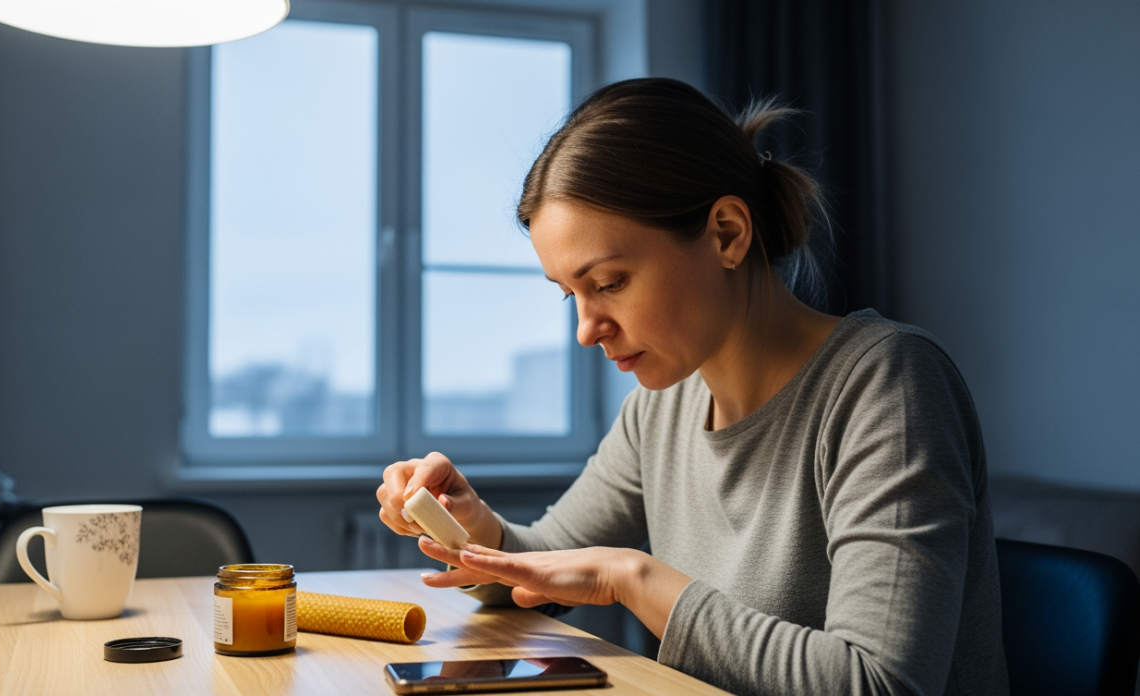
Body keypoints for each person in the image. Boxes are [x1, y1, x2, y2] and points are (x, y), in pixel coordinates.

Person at [376, 78, 1008, 696]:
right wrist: (473, 529)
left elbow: (880, 682)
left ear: (727, 234)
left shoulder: (886, 386)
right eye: (571, 293)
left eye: (610, 283)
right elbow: (547, 561)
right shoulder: (661, 407)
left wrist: (634, 578)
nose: (586, 330)